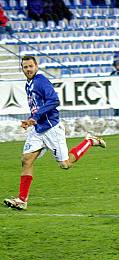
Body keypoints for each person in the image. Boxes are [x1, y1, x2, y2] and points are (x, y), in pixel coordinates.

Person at [3, 56, 106, 211]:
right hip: (38, 130)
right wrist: (31, 121)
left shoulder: (41, 81)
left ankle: (89, 141)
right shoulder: (28, 84)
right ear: (22, 69)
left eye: (31, 66)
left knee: (65, 164)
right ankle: (22, 200)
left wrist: (35, 118)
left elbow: (54, 101)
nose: (28, 69)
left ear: (36, 66)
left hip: (52, 129)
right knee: (26, 160)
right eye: (25, 67)